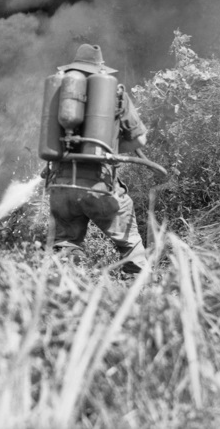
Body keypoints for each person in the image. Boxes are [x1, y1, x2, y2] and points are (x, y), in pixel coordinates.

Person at [46, 44, 148, 274]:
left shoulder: (58, 91)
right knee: (130, 245)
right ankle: (139, 294)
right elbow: (140, 140)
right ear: (100, 68)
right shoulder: (115, 93)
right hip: (98, 186)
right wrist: (110, 150)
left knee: (64, 246)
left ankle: (66, 291)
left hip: (61, 185)